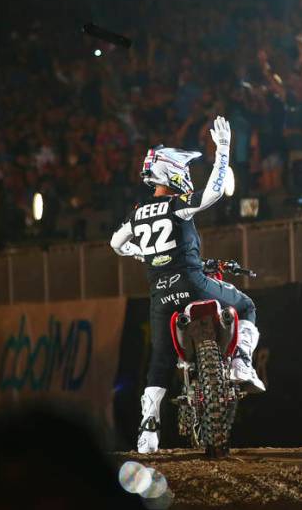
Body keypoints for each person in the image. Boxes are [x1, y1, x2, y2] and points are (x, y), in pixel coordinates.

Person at [110, 116, 265, 455]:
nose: (187, 175)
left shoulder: (137, 212)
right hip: (193, 283)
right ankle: (240, 361)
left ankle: (148, 431)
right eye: (183, 169)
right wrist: (223, 150)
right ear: (170, 171)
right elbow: (211, 194)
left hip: (161, 296)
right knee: (246, 306)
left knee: (160, 360)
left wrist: (145, 254)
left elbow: (115, 243)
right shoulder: (176, 205)